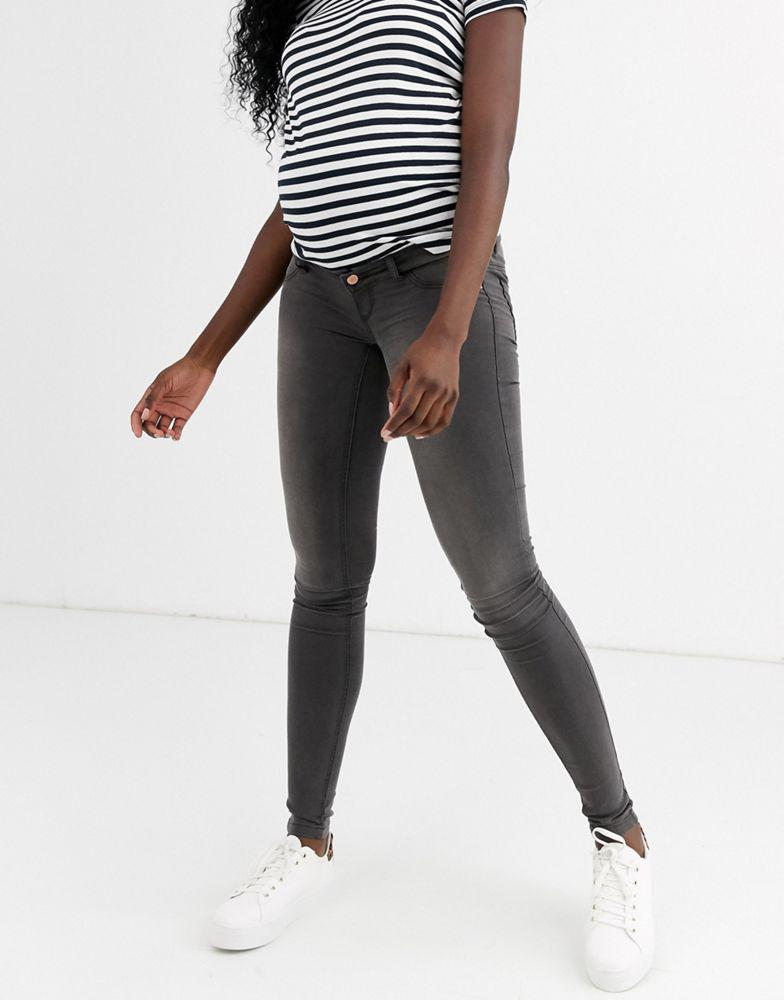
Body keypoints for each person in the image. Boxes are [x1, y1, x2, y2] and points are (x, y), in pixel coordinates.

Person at [130, 0, 654, 990]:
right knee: (324, 577)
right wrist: (204, 355)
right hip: (317, 301)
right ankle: (307, 838)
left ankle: (618, 834)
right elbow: (300, 200)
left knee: (502, 582)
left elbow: (488, 150)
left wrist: (449, 329)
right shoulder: (307, 10)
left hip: (433, 287)